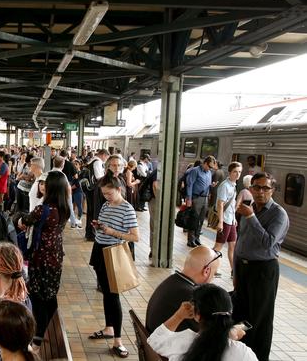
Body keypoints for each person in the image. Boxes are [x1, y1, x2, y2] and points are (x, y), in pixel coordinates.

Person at [233, 172, 289, 361]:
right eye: (256, 187)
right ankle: (241, 354)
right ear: (251, 189)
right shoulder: (249, 208)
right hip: (243, 268)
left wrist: (251, 218)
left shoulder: (278, 214)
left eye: (265, 188)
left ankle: (258, 357)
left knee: (259, 318)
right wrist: (235, 268)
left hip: (263, 270)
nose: (260, 192)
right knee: (240, 311)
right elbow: (241, 240)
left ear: (272, 191)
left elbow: (268, 243)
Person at [87, 175, 139, 358]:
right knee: (106, 294)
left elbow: (135, 237)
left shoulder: (127, 209)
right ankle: (109, 328)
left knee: (113, 296)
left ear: (119, 189)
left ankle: (118, 340)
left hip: (113, 254)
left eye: (109, 193)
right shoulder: (106, 205)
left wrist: (112, 232)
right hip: (99, 250)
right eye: (104, 194)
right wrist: (99, 227)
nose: (106, 197)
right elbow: (105, 227)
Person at [17, 170, 69, 350]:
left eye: (46, 183)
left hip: (40, 259)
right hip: (56, 257)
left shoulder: (43, 209)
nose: (42, 186)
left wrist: (19, 221)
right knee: (51, 295)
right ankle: (53, 329)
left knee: (38, 298)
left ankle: (38, 339)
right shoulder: (64, 208)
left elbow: (25, 220)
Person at [148, 284, 258, 361]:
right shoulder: (243, 353)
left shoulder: (181, 341)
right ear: (230, 311)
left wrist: (178, 316)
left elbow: (153, 341)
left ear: (198, 315)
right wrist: (227, 337)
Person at [145, 246, 221, 333]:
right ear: (206, 271)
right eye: (214, 274)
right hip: (165, 345)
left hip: (153, 341)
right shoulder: (190, 295)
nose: (213, 278)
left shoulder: (173, 280)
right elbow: (208, 332)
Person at [213, 162, 242, 278]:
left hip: (230, 220)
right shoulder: (225, 186)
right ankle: (210, 267)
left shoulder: (233, 185)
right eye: (235, 171)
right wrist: (220, 222)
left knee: (232, 245)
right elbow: (220, 204)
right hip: (224, 220)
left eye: (239, 172)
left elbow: (232, 204)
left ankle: (233, 271)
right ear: (230, 172)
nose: (238, 174)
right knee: (218, 247)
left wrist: (234, 218)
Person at [185, 156, 217, 247]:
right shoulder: (195, 171)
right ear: (205, 163)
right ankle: (190, 240)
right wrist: (189, 198)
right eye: (209, 166)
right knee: (194, 219)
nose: (210, 169)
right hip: (196, 198)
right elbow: (190, 185)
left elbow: (206, 185)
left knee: (201, 219)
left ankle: (197, 238)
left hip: (205, 198)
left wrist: (211, 186)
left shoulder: (209, 173)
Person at [84, 149, 109, 241]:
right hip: (94, 190)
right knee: (94, 212)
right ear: (103, 155)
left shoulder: (92, 160)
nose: (106, 159)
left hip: (89, 189)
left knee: (90, 212)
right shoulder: (97, 162)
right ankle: (92, 234)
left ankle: (89, 233)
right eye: (106, 157)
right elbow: (99, 177)